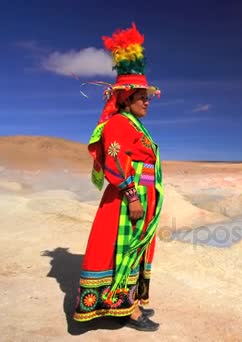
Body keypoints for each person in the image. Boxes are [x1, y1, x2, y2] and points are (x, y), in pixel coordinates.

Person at [73, 23, 164, 332]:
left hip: (141, 199)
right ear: (127, 98)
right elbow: (114, 161)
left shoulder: (133, 124)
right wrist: (133, 196)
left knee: (133, 250)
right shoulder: (118, 124)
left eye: (148, 97)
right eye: (143, 97)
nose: (148, 101)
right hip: (128, 202)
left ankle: (132, 303)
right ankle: (125, 309)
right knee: (120, 250)